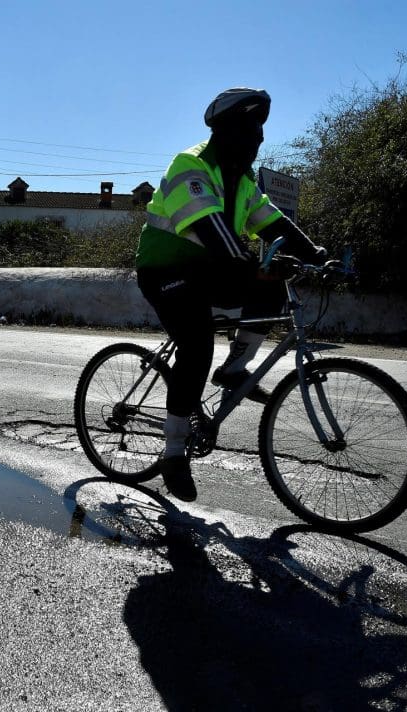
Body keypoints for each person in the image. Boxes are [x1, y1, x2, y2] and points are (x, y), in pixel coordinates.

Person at [135, 87, 327, 502]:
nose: (257, 139)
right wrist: (252, 265)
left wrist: (315, 254)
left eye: (260, 131)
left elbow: (273, 224)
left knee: (273, 286)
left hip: (208, 271)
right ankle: (172, 453)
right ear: (226, 131)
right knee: (197, 343)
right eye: (249, 130)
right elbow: (214, 233)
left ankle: (235, 369)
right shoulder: (191, 165)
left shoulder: (241, 180)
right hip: (165, 271)